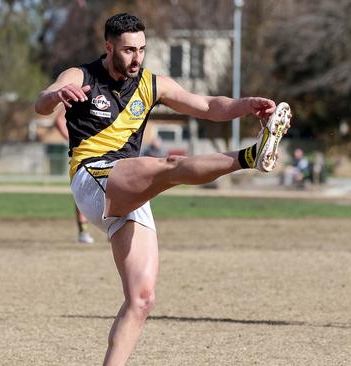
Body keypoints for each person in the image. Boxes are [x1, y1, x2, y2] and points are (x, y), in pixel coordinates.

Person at [34, 13, 291, 365]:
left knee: (142, 299)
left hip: (129, 185)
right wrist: (55, 96)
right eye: (128, 50)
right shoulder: (82, 75)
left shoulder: (152, 84)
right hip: (93, 175)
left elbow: (207, 106)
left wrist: (246, 105)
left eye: (142, 49)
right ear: (109, 48)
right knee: (169, 167)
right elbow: (41, 102)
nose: (137, 57)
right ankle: (249, 155)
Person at [54, 106, 96, 244]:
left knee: (113, 188)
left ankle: (113, 228)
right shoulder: (81, 94)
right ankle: (83, 231)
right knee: (83, 189)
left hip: (110, 150)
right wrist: (76, 141)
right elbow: (59, 120)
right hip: (85, 153)